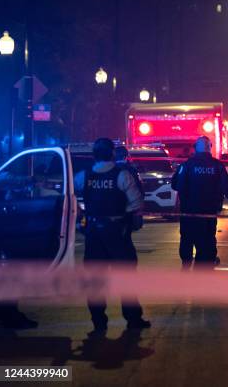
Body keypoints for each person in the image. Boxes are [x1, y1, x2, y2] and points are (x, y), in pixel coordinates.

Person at [74, 138, 150, 334]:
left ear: (94, 154)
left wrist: (82, 216)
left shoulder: (84, 176)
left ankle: (99, 322)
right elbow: (136, 203)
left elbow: (70, 197)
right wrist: (128, 216)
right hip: (117, 232)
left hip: (93, 233)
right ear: (112, 153)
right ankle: (133, 319)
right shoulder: (122, 175)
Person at [172, 136, 228, 268]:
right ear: (210, 148)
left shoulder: (187, 165)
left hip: (188, 211)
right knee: (207, 238)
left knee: (187, 237)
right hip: (208, 211)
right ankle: (206, 263)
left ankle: (186, 262)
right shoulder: (217, 165)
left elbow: (176, 185)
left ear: (196, 148)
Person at [115, 146, 144, 253]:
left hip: (111, 211)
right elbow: (139, 190)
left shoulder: (110, 170)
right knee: (126, 239)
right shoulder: (131, 170)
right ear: (126, 156)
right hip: (128, 210)